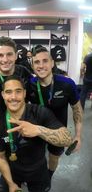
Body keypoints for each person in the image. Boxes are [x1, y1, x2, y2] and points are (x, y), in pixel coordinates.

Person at [0, 75, 72, 192]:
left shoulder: (39, 112)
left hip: (38, 171)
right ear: (3, 95)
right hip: (12, 170)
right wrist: (10, 184)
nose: (13, 97)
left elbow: (67, 139)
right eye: (8, 92)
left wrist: (38, 130)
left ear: (25, 93)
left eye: (18, 91)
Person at [0, 36, 32, 190]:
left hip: (23, 125)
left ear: (16, 55)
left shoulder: (23, 71)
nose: (5, 59)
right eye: (0, 55)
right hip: (1, 127)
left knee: (22, 159)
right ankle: (9, 182)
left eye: (9, 54)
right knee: (1, 158)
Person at [28, 47, 83, 184]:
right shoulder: (30, 85)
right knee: (35, 157)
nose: (41, 66)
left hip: (58, 131)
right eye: (37, 62)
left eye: (45, 61)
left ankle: (49, 176)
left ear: (52, 63)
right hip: (37, 131)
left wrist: (77, 136)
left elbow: (77, 110)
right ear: (32, 65)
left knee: (53, 158)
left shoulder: (67, 84)